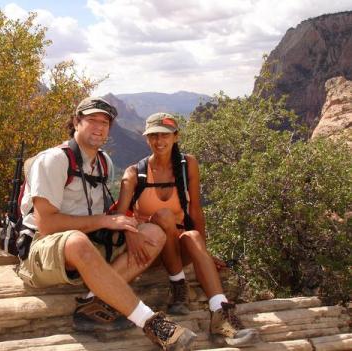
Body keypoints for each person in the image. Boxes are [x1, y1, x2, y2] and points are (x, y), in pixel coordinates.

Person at [17, 98, 197, 351]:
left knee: (153, 234)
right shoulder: (54, 160)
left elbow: (108, 213)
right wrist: (104, 221)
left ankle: (92, 302)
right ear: (76, 122)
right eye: (92, 120)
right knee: (77, 241)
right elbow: (46, 224)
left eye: (105, 123)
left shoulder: (103, 163)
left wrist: (128, 228)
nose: (99, 127)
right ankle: (150, 321)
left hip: (89, 243)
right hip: (43, 249)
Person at [116, 112, 259, 347]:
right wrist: (130, 236)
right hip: (149, 250)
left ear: (175, 136)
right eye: (153, 136)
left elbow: (195, 209)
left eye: (164, 135)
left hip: (178, 243)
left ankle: (221, 316)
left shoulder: (187, 165)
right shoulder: (134, 173)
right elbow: (120, 214)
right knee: (163, 215)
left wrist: (203, 252)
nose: (159, 141)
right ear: (146, 139)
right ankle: (178, 285)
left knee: (192, 236)